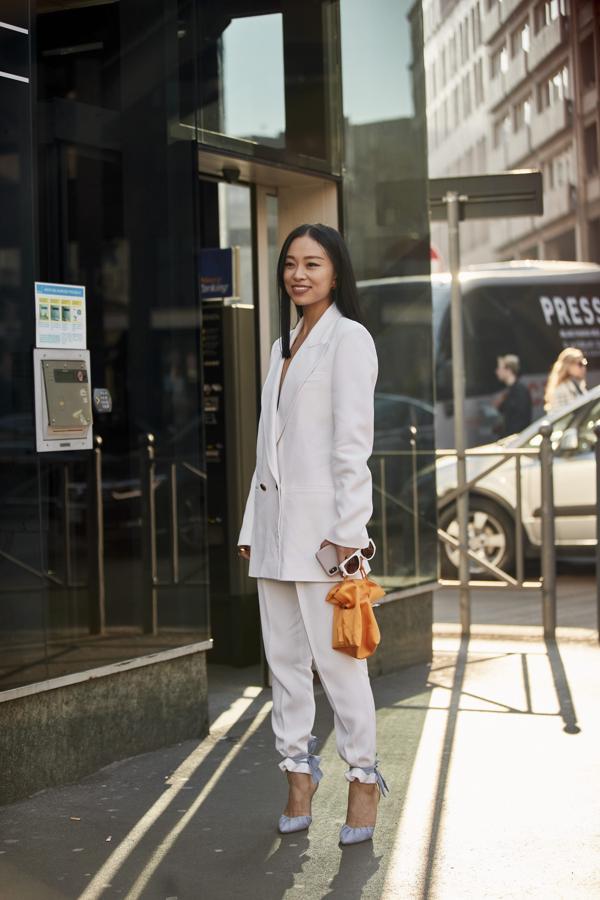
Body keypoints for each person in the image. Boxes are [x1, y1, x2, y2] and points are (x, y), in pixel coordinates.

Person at [237, 223, 387, 846]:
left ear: (335, 271)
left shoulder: (349, 340)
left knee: (339, 664)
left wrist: (349, 536)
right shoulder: (280, 346)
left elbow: (352, 447)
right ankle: (298, 773)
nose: (300, 274)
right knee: (285, 665)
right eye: (291, 264)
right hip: (274, 535)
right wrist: (251, 524)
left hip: (327, 537)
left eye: (314, 264)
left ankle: (362, 778)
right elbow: (265, 449)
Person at [494, 354, 532, 437]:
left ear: (508, 370)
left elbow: (520, 420)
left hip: (515, 440)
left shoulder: (519, 391)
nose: (497, 371)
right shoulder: (510, 390)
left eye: (500, 368)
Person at [544, 347, 588, 412]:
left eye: (584, 362)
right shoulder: (560, 389)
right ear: (568, 365)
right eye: (580, 364)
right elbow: (560, 416)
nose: (584, 367)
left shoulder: (577, 384)